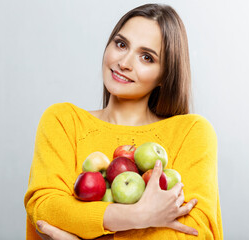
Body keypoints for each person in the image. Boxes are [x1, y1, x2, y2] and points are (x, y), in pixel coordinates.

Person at [24, 3, 223, 240]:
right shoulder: (63, 121)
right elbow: (46, 209)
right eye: (121, 44)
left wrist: (83, 228)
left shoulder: (191, 132)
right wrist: (140, 215)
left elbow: (196, 232)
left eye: (147, 57)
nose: (125, 62)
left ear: (165, 75)